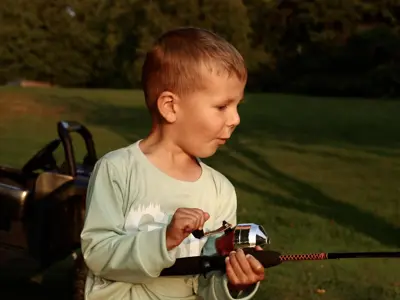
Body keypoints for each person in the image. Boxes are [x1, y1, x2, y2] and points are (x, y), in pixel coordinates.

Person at [80, 27, 266, 300]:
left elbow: (209, 280)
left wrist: (235, 283)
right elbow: (97, 254)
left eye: (237, 106)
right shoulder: (117, 170)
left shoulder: (220, 191)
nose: (235, 119)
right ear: (170, 106)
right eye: (222, 106)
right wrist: (164, 240)